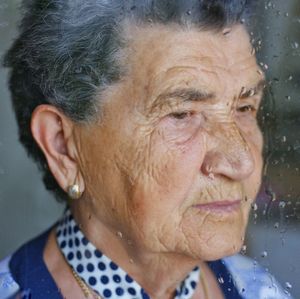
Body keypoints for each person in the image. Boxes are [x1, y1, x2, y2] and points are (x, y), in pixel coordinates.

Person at [0, 0, 293, 298]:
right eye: (181, 114)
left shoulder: (259, 289)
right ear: (62, 146)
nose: (241, 162)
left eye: (244, 107)